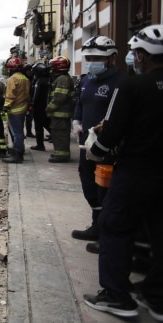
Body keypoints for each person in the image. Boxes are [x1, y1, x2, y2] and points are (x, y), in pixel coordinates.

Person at [82, 25, 163, 319]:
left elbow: (112, 130)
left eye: (135, 53)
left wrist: (96, 150)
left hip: (136, 172)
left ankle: (117, 296)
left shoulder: (130, 86)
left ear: (142, 55)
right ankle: (156, 296)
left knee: (115, 226)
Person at [71, 36, 125, 248]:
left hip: (108, 146)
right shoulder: (86, 81)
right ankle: (96, 225)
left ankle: (107, 233)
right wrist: (76, 121)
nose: (91, 61)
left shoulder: (120, 82)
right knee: (88, 184)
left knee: (106, 189)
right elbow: (81, 104)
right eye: (89, 57)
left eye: (96, 58)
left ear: (111, 59)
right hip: (86, 143)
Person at [44, 56, 73, 163]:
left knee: (61, 135)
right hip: (58, 114)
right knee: (57, 135)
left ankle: (62, 156)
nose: (51, 69)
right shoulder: (62, 78)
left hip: (61, 114)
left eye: (53, 66)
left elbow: (60, 97)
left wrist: (49, 107)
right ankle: (58, 153)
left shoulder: (62, 79)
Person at [2, 57, 31, 164]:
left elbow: (10, 95)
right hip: (22, 108)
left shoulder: (12, 79)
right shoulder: (25, 78)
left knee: (16, 133)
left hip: (14, 110)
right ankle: (18, 150)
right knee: (19, 132)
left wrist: (5, 107)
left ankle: (17, 154)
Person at [30, 62, 51, 151]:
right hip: (44, 106)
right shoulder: (46, 80)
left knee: (39, 126)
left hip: (39, 107)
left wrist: (32, 103)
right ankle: (53, 136)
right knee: (46, 123)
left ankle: (40, 145)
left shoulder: (41, 81)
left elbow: (36, 95)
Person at [23, 64, 36, 137]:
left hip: (30, 100)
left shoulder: (33, 78)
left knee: (29, 117)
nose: (30, 72)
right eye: (28, 70)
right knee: (22, 118)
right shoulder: (24, 79)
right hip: (24, 100)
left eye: (30, 70)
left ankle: (29, 132)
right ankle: (22, 133)